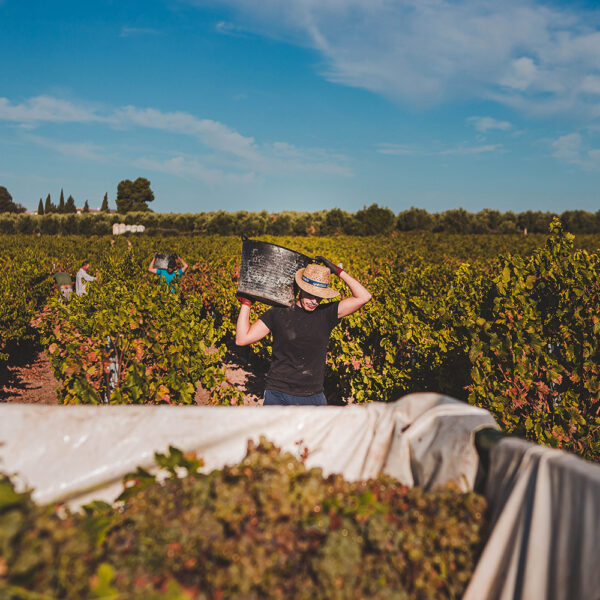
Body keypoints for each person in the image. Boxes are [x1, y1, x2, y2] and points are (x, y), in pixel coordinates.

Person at [235, 256, 371, 406]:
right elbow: (242, 339)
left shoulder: (327, 313)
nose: (314, 301)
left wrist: (339, 272)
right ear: (300, 289)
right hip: (278, 394)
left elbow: (364, 297)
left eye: (319, 297)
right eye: (311, 294)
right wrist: (246, 304)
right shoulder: (278, 313)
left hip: (313, 395)